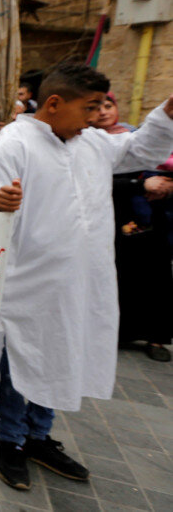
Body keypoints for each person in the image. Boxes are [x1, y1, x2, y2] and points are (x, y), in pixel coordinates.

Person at [0, 62, 173, 492]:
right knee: (22, 364)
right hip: (30, 285)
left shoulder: (93, 144)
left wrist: (169, 110)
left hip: (81, 283)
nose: (97, 115)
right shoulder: (12, 147)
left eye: (102, 106)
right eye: (90, 106)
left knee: (60, 359)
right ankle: (11, 441)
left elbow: (142, 149)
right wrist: (0, 205)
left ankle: (39, 438)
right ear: (55, 104)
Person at [96, 92, 173, 363]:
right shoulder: (91, 143)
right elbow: (94, 181)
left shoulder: (134, 137)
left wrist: (167, 186)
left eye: (109, 105)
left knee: (156, 275)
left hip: (152, 218)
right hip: (115, 217)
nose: (104, 112)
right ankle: (120, 332)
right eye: (98, 107)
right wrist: (140, 185)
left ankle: (156, 336)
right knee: (121, 275)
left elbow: (159, 160)